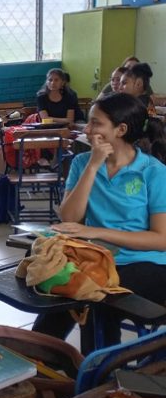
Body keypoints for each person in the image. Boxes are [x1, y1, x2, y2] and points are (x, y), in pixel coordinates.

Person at [32, 93, 166, 351]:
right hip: (97, 257)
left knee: (94, 298)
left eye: (96, 123)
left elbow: (161, 239)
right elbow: (70, 217)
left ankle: (99, 375)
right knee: (61, 287)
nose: (87, 129)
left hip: (147, 264)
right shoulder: (83, 162)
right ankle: (39, 361)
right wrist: (93, 167)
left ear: (120, 129)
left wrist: (94, 231)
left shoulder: (153, 172)